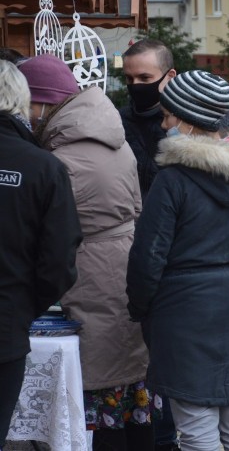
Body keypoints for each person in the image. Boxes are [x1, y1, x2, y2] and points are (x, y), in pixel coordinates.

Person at [126, 71, 229, 451]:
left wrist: (141, 306)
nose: (163, 125)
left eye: (168, 117)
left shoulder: (173, 181)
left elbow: (149, 256)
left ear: (188, 120)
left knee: (196, 427)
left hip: (184, 314)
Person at [18, 55, 156, 451]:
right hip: (121, 266)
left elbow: (47, 231)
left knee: (100, 396)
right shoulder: (105, 134)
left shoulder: (64, 158)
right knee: (130, 392)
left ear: (43, 102)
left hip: (92, 275)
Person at [0, 60, 80, 445]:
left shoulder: (45, 166)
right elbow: (60, 259)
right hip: (6, 326)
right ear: (22, 102)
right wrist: (23, 307)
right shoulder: (44, 167)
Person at [120, 39, 177, 199]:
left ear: (170, 76)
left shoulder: (185, 125)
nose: (135, 86)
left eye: (144, 78)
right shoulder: (117, 123)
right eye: (129, 79)